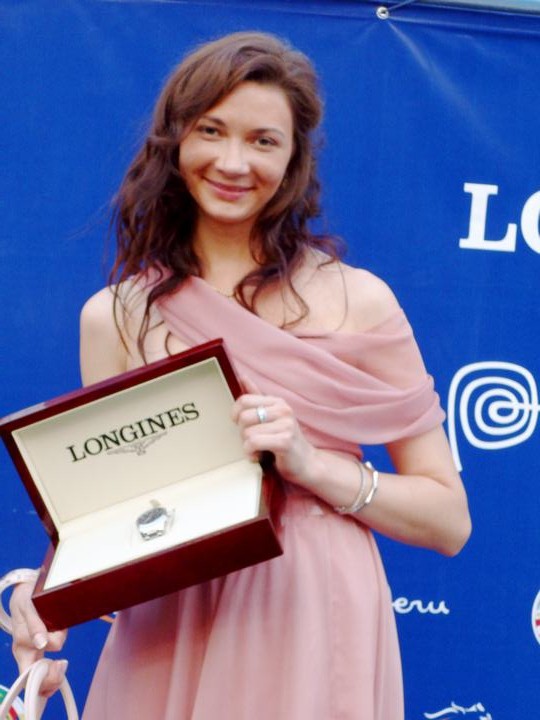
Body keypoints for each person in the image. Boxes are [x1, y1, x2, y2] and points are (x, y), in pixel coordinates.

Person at [9, 31, 471, 719]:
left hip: (311, 613)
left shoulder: (360, 302)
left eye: (263, 140)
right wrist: (45, 597)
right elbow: (116, 517)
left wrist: (314, 466)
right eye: (211, 131)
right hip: (172, 626)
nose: (232, 162)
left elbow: (448, 521)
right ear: (174, 140)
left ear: (293, 159)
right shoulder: (115, 317)